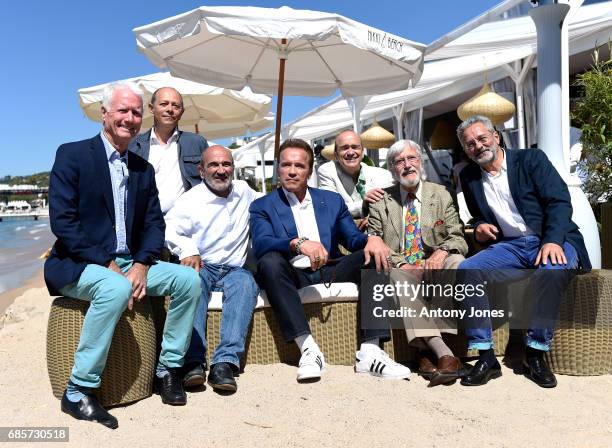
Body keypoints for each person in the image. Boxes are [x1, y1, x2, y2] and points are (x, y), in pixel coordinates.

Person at [45, 82, 201, 429]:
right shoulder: (72, 155)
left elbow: (154, 224)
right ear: (104, 114)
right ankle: (78, 390)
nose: (130, 118)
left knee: (189, 279)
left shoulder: (142, 169)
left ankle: (168, 370)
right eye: (122, 111)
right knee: (115, 288)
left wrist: (144, 264)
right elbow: (64, 224)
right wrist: (109, 264)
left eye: (135, 112)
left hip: (132, 262)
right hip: (79, 262)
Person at [250, 138, 410, 382]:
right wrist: (297, 243)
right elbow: (261, 244)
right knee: (269, 262)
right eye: (286, 165)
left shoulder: (331, 200)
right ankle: (309, 349)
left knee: (373, 256)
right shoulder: (262, 205)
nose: (292, 171)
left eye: (299, 166)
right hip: (292, 275)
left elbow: (352, 239)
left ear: (310, 170)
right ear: (278, 168)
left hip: (331, 270)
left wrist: (372, 239)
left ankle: (371, 351)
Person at [456, 115, 591, 388]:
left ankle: (535, 354)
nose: (478, 146)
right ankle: (485, 357)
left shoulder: (531, 160)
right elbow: (477, 218)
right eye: (470, 144)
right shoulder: (468, 176)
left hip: (552, 237)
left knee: (552, 269)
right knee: (467, 270)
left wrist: (552, 241)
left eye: (482, 138)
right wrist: (480, 226)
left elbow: (559, 202)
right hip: (512, 246)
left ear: (496, 136)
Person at [368, 139, 468, 386]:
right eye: (399, 161)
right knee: (397, 275)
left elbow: (457, 235)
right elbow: (376, 242)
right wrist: (402, 264)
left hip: (436, 260)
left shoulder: (441, 194)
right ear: (392, 169)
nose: (407, 165)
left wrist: (441, 252)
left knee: (456, 262)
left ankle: (424, 353)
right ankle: (444, 353)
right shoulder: (381, 202)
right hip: (403, 264)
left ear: (420, 162)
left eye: (411, 159)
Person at [165, 145, 259, 393]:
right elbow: (170, 229)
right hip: (203, 265)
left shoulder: (244, 191)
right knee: (191, 283)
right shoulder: (189, 199)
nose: (220, 170)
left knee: (246, 283)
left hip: (235, 269)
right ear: (201, 170)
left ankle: (224, 364)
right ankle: (194, 361)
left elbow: (272, 205)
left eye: (226, 165)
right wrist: (187, 249)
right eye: (213, 165)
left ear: (233, 168)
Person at [129, 86, 209, 216]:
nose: (170, 109)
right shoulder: (133, 145)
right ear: (151, 108)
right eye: (164, 104)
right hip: (145, 223)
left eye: (175, 106)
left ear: (182, 112)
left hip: (188, 221)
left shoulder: (197, 143)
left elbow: (209, 181)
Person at [317, 130, 393, 228]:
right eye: (344, 148)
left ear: (362, 151)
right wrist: (364, 204)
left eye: (355, 147)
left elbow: (392, 205)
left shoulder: (383, 174)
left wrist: (373, 217)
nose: (350, 152)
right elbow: (331, 208)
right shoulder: (328, 171)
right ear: (336, 154)